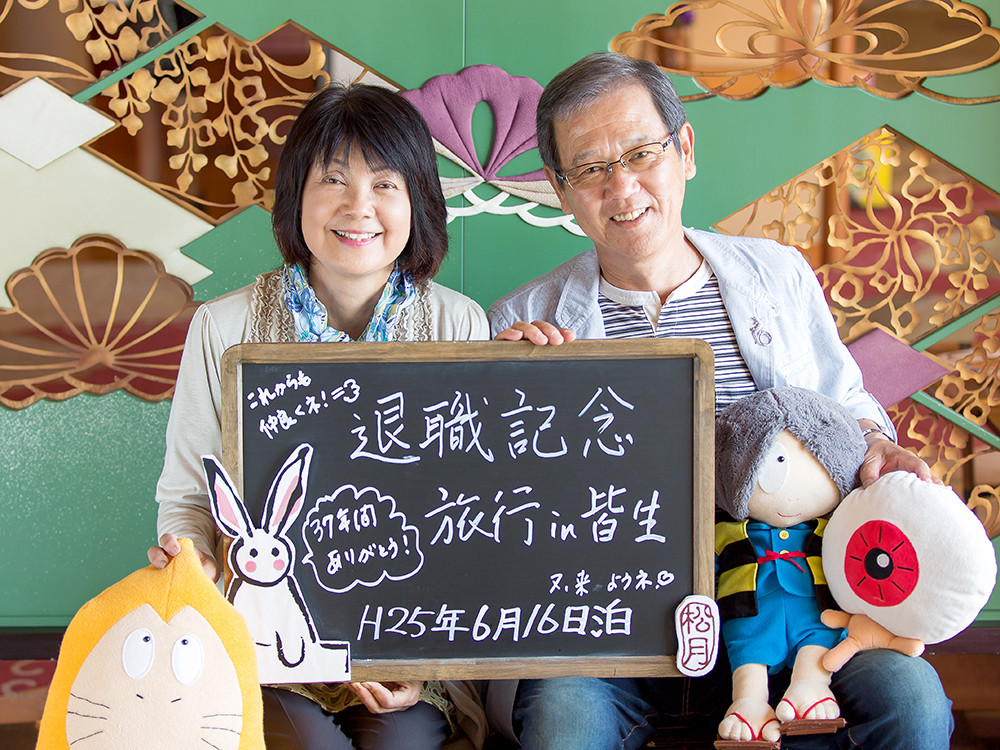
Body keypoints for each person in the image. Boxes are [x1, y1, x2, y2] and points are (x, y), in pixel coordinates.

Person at [487, 51, 953, 749]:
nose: (622, 187)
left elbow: (845, 402)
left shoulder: (776, 273)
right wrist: (506, 401)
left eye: (641, 153)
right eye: (589, 168)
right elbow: (501, 512)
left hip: (792, 612)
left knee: (912, 702)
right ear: (560, 188)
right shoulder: (523, 319)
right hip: (615, 628)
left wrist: (878, 443)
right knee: (562, 720)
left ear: (685, 149)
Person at [148, 83, 489, 750]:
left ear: (417, 201)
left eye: (385, 184)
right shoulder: (224, 327)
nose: (358, 207)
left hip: (405, 653)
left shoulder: (458, 325)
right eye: (333, 180)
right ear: (295, 197)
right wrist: (194, 560)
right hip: (264, 648)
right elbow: (188, 498)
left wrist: (422, 665)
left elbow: (473, 519)